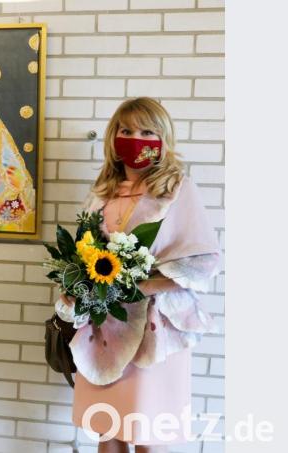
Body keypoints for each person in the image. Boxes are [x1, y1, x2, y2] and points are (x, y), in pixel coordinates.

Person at [55, 97, 221, 452]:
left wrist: (141, 285)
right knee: (108, 430)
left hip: (155, 331)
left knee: (147, 434)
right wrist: (77, 286)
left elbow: (202, 261)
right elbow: (87, 254)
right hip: (104, 330)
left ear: (162, 138)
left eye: (147, 131)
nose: (135, 138)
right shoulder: (103, 192)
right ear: (113, 138)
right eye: (126, 130)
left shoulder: (177, 189)